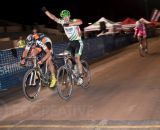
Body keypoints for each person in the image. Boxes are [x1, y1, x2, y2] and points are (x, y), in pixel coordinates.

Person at [42, 7, 84, 83]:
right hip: (71, 43)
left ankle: (81, 76)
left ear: (69, 16)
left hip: (78, 42)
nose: (65, 18)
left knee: (77, 58)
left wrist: (70, 24)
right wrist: (45, 11)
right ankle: (71, 73)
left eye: (66, 16)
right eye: (64, 17)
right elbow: (53, 17)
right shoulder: (62, 22)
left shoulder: (73, 20)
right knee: (66, 56)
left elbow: (80, 22)